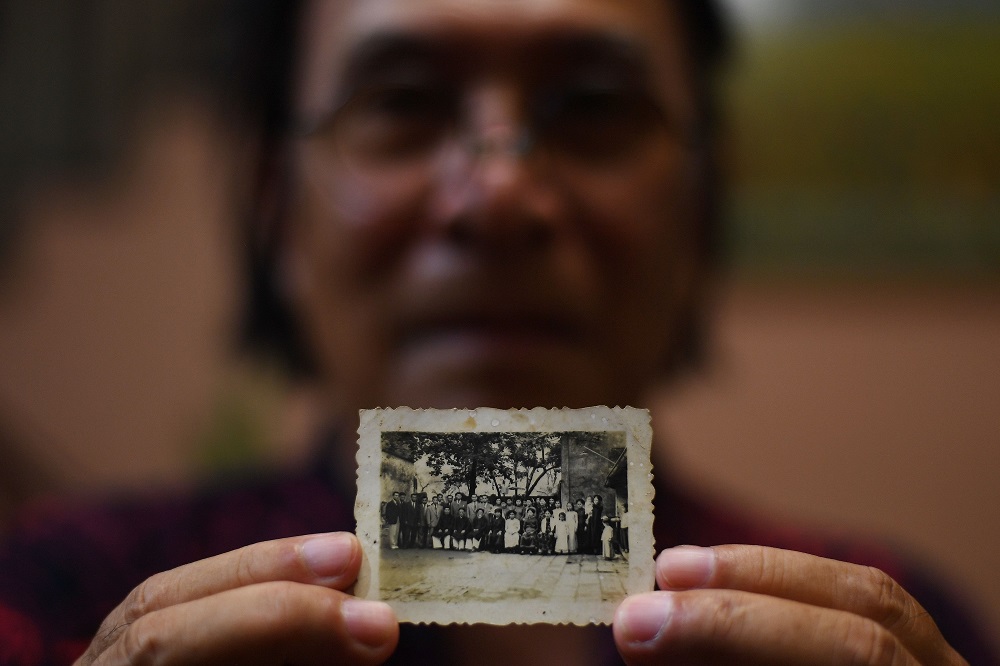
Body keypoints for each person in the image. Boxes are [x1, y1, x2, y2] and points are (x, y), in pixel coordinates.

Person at [0, 0, 994, 662]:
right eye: (401, 103)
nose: (500, 194)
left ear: (699, 208)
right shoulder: (54, 594)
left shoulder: (889, 628)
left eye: (594, 108)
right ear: (274, 210)